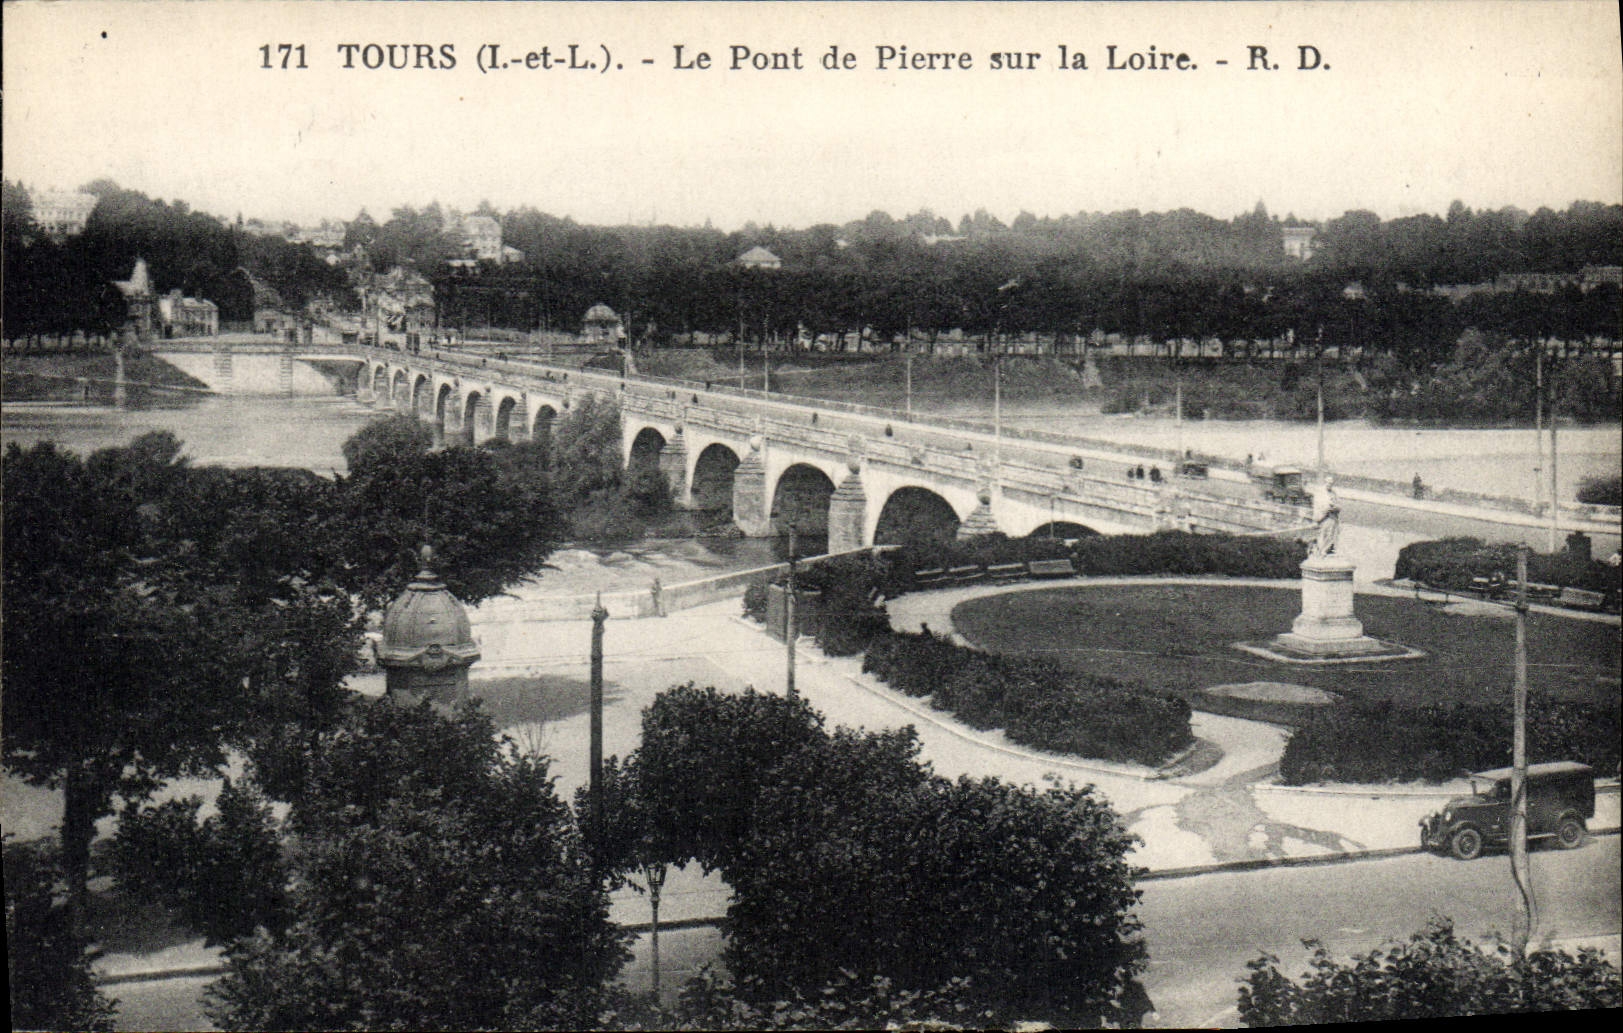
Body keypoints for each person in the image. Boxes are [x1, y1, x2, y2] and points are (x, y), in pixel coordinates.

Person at [1311, 476, 1341, 557]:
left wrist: (1335, 507)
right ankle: (1321, 551)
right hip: (1323, 518)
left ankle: (1327, 550)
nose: (1329, 484)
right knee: (1323, 534)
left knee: (1331, 535)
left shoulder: (1334, 493)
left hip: (1333, 518)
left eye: (1331, 483)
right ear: (1325, 482)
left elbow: (1339, 505)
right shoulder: (1320, 493)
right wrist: (1325, 510)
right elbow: (1317, 506)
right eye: (1328, 483)